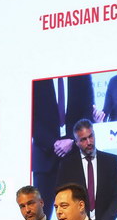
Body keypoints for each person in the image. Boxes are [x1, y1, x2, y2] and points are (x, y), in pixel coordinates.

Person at [31, 74, 97, 212]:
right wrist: (53, 143)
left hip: (75, 156)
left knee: (79, 212)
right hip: (44, 157)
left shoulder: (82, 76)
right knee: (40, 216)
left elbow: (87, 112)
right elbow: (31, 117)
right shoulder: (37, 79)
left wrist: (72, 139)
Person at [55, 119, 117, 220]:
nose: (89, 142)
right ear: (76, 142)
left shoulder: (111, 161)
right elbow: (61, 198)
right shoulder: (67, 166)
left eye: (90, 136)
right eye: (83, 139)